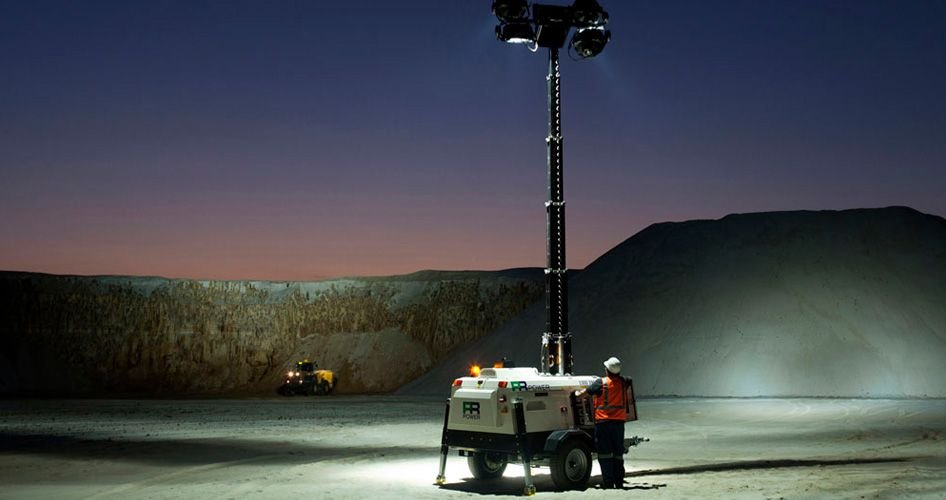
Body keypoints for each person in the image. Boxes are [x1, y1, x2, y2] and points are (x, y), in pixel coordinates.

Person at [575, 356, 632, 489]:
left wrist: (577, 394)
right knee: (618, 454)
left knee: (605, 453)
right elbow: (627, 379)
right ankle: (619, 482)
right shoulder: (624, 382)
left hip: (603, 423)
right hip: (619, 423)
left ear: (607, 370)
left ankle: (608, 482)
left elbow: (584, 394)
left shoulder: (601, 382)